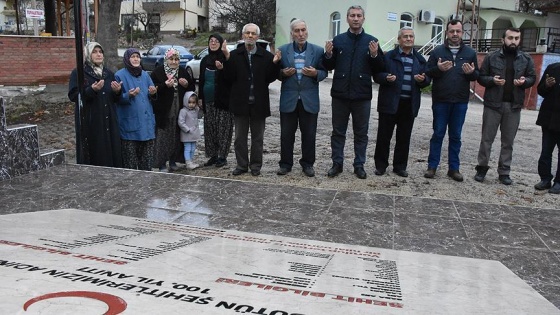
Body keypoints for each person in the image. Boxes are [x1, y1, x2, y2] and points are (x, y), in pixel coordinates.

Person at [323, 5, 384, 179]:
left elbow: (380, 68)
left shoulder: (372, 41)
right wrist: (328, 55)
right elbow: (328, 66)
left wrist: (374, 55)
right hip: (340, 94)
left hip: (362, 95)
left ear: (363, 19)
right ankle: (337, 163)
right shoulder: (339, 40)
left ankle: (359, 165)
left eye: (359, 15)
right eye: (352, 15)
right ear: (347, 18)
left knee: (361, 133)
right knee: (338, 132)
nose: (355, 18)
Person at [474, 27, 536, 185]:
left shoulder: (526, 58)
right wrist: (492, 80)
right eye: (510, 38)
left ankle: (504, 172)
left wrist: (524, 82)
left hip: (513, 106)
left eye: (516, 38)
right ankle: (482, 168)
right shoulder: (491, 57)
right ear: (503, 40)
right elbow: (481, 77)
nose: (513, 41)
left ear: (519, 40)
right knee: (487, 139)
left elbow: (532, 77)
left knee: (508, 141)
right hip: (493, 104)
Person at [221, 23, 281, 176]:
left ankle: (255, 166)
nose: (250, 36)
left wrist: (274, 64)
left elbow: (270, 78)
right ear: (242, 36)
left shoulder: (266, 56)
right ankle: (241, 165)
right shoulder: (234, 55)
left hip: (258, 104)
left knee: (258, 139)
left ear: (257, 37)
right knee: (239, 138)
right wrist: (227, 59)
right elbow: (228, 78)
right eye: (247, 33)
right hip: (240, 104)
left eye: (253, 33)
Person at [423, 19, 479, 182]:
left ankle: (454, 169)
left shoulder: (470, 53)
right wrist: (438, 69)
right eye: (452, 31)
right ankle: (432, 166)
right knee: (438, 133)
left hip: (460, 101)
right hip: (441, 100)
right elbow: (428, 72)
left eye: (458, 31)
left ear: (462, 33)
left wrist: (471, 74)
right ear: (447, 32)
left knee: (456, 136)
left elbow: (477, 75)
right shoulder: (437, 51)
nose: (455, 34)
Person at [373, 27, 430, 178]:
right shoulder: (388, 57)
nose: (409, 39)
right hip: (389, 102)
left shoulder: (419, 59)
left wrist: (423, 80)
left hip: (409, 103)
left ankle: (400, 166)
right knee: (384, 136)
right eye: (405, 36)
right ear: (399, 39)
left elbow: (427, 80)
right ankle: (380, 166)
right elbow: (377, 75)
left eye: (411, 36)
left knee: (404, 138)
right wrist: (386, 77)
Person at [276, 19, 327, 178]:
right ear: (292, 33)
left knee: (309, 134)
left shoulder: (317, 51)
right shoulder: (282, 50)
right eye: (297, 31)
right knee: (286, 135)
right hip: (289, 99)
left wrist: (316, 74)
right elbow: (274, 72)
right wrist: (283, 73)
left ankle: (307, 164)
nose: (300, 34)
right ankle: (285, 164)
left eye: (303, 30)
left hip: (309, 100)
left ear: (307, 31)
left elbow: (324, 72)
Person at [68, 41, 123, 167]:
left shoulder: (108, 73)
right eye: (94, 52)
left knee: (110, 150)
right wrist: (91, 90)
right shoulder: (79, 73)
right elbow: (73, 96)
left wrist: (117, 91)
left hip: (108, 118)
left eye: (100, 52)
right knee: (95, 152)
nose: (99, 55)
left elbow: (115, 98)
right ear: (88, 54)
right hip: (91, 120)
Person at [150, 47, 195, 172]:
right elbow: (153, 88)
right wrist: (165, 85)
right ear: (166, 59)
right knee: (163, 137)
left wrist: (186, 85)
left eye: (176, 59)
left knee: (176, 135)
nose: (174, 62)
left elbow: (191, 87)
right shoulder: (158, 72)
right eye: (171, 59)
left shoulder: (182, 71)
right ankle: (162, 163)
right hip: (164, 109)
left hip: (179, 107)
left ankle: (173, 160)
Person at [115, 48, 158, 171]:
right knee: (131, 167)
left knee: (147, 165)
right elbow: (116, 99)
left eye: (137, 57)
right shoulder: (119, 75)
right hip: (130, 128)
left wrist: (153, 93)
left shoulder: (145, 74)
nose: (135, 59)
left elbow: (151, 93)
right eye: (132, 56)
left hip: (147, 126)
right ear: (127, 59)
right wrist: (128, 95)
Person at [199, 33, 234, 168]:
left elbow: (231, 78)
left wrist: (222, 69)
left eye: (216, 42)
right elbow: (201, 81)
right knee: (210, 129)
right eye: (211, 41)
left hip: (223, 102)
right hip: (208, 101)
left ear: (220, 44)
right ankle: (212, 155)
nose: (213, 43)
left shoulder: (226, 59)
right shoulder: (204, 60)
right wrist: (200, 97)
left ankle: (222, 156)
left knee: (223, 130)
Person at [534, 63, 560, 194]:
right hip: (549, 118)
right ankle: (545, 179)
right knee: (545, 152)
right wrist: (547, 85)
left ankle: (559, 182)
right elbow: (540, 90)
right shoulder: (553, 68)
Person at [178, 91, 203, 170]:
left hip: (194, 134)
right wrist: (187, 129)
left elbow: (199, 116)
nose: (191, 104)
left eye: (193, 102)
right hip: (187, 134)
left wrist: (200, 108)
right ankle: (188, 162)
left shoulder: (195, 110)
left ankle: (191, 161)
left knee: (193, 148)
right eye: (189, 102)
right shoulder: (183, 111)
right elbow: (181, 122)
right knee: (188, 148)